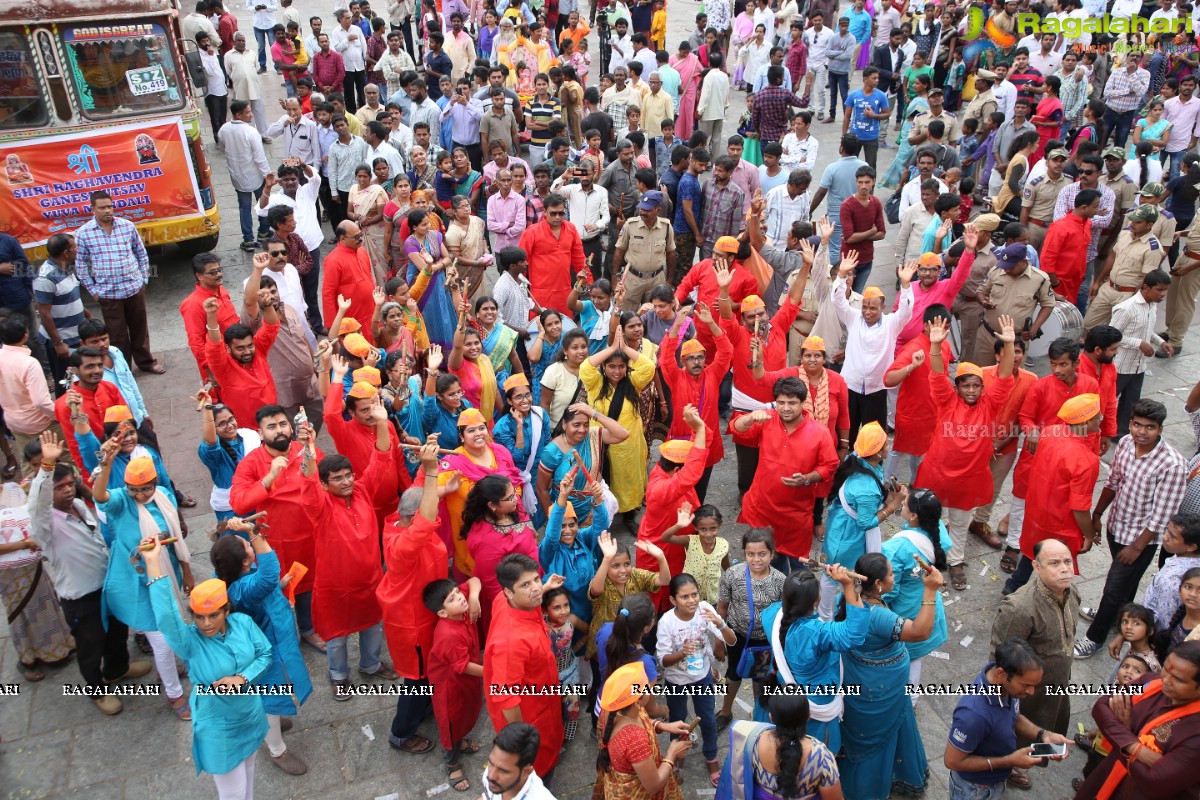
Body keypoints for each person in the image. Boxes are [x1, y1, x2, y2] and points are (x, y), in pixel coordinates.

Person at [142, 541, 272, 800]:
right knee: (233, 794)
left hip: (251, 715)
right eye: (199, 617)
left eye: (213, 615)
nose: (206, 624)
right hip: (218, 727)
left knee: (249, 777)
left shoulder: (243, 623)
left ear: (226, 610)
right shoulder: (190, 642)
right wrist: (153, 563)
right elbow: (167, 617)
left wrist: (242, 677)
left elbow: (265, 654)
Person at [1074, 399, 1188, 659]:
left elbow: (1163, 516)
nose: (1142, 432)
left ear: (1160, 429)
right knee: (1125, 583)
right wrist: (1098, 514)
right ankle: (1119, 618)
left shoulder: (1172, 465)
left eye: (1150, 427)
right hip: (1117, 525)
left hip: (1140, 540)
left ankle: (1095, 637)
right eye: (1137, 424)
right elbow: (1113, 481)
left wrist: (1137, 547)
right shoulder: (1125, 443)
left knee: (1114, 588)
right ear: (1130, 423)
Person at [299, 404, 398, 699]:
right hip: (335, 587)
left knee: (372, 627)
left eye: (348, 475)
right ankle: (339, 676)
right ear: (325, 484)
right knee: (337, 637)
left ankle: (370, 664)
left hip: (370, 579)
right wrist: (307, 447)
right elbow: (308, 484)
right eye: (338, 479)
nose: (346, 482)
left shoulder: (363, 490)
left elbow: (380, 460)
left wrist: (382, 423)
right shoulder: (320, 507)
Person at [916, 315, 1017, 591]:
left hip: (968, 479)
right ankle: (930, 556)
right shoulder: (945, 401)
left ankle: (956, 560)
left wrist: (1008, 345)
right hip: (937, 473)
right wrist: (936, 346)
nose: (971, 390)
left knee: (960, 522)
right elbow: (937, 374)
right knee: (932, 518)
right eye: (965, 385)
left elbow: (1006, 376)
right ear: (957, 387)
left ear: (983, 388)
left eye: (976, 385)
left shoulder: (990, 404)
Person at [92, 446, 192, 722]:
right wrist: (107, 465)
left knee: (174, 628)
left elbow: (176, 539)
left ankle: (169, 668)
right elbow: (99, 495)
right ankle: (174, 694)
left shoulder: (164, 497)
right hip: (136, 583)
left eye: (145, 488)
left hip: (165, 576)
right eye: (134, 489)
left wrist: (187, 571)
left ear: (154, 484)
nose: (140, 495)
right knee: (162, 642)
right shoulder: (121, 502)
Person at [210, 518, 311, 775]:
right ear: (245, 562)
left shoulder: (238, 580)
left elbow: (265, 586)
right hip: (267, 653)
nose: (253, 545)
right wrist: (251, 532)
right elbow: (267, 574)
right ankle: (277, 749)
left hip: (274, 644)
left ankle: (273, 723)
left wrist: (280, 585)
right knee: (270, 698)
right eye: (249, 546)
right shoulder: (243, 587)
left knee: (275, 693)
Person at [839, 552, 943, 799]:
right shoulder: (877, 615)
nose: (894, 577)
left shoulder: (848, 597)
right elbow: (919, 632)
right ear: (877, 584)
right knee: (878, 742)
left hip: (866, 684)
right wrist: (930, 592)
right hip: (880, 691)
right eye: (891, 574)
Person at [230, 405, 324, 654]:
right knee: (277, 592)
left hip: (310, 537)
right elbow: (238, 502)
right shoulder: (251, 463)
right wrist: (268, 478)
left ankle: (308, 630)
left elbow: (325, 483)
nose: (279, 431)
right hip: (275, 543)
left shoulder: (307, 451)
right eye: (271, 427)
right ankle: (282, 638)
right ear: (260, 434)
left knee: (308, 586)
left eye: (283, 424)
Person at [944, 637, 1072, 799]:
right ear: (1002, 674)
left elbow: (1014, 716)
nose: (1031, 692)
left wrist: (1043, 734)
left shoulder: (1005, 687)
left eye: (1034, 685)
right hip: (974, 790)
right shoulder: (973, 715)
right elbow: (952, 761)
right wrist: (1009, 761)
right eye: (1026, 685)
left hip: (994, 781)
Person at [735, 377, 840, 573]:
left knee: (799, 569)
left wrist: (807, 478)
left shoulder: (819, 432)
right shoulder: (766, 419)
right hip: (763, 509)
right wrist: (748, 419)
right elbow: (736, 428)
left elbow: (830, 465)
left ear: (802, 403)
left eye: (792, 403)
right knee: (767, 564)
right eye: (781, 403)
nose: (786, 408)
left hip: (795, 517)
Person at [1073, 640, 1200, 798]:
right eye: (1166, 669)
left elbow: (1154, 780)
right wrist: (1135, 747)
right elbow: (1102, 705)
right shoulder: (1151, 681)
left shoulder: (1195, 732)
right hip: (1107, 774)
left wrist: (1124, 739)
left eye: (1178, 680)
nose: (1166, 680)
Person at [761, 565, 867, 750]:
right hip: (816, 704)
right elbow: (854, 634)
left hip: (789, 698)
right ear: (815, 603)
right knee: (816, 755)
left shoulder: (771, 615)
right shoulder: (816, 633)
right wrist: (848, 586)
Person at [483, 554, 566, 781]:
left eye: (536, 580)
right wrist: (523, 739)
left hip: (544, 697)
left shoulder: (508, 600)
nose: (536, 589)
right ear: (509, 591)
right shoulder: (510, 642)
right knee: (539, 772)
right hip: (531, 715)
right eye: (526, 585)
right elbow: (506, 697)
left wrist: (546, 586)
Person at [819, 421, 904, 617]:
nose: (888, 446)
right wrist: (894, 504)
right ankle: (826, 616)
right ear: (876, 453)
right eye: (885, 444)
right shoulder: (866, 488)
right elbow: (865, 523)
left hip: (841, 528)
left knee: (833, 575)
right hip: (848, 540)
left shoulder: (859, 460)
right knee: (835, 577)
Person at [74, 191, 163, 374]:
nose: (107, 211)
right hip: (108, 294)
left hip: (133, 288)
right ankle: (124, 369)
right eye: (102, 207)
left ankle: (146, 362)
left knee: (140, 328)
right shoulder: (84, 234)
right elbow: (81, 265)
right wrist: (94, 291)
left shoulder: (127, 226)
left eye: (109, 206)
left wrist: (143, 279)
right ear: (93, 209)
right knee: (117, 335)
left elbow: (141, 254)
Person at [832, 253, 915, 442]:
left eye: (873, 308)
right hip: (850, 386)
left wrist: (905, 285)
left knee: (874, 439)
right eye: (865, 307)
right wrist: (842, 275)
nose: (867, 312)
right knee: (847, 435)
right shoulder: (853, 318)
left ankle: (872, 471)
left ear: (883, 308)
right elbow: (838, 301)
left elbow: (906, 310)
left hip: (876, 389)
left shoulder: (892, 323)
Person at [659, 301, 732, 502]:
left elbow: (726, 352)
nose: (697, 362)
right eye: (691, 359)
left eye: (700, 358)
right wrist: (677, 326)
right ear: (683, 361)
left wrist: (711, 324)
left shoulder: (713, 374)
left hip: (708, 443)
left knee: (700, 492)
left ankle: (696, 524)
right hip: (681, 442)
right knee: (678, 490)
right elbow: (665, 358)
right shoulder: (675, 377)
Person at [595, 660, 691, 800]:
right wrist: (672, 753)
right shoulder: (635, 740)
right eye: (647, 687)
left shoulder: (616, 709)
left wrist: (662, 725)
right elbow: (654, 785)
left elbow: (641, 720)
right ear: (637, 701)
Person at [323, 221, 378, 343]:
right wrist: (332, 325)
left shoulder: (362, 251)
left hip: (370, 312)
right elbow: (328, 294)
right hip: (352, 317)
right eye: (356, 237)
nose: (360, 239)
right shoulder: (333, 260)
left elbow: (369, 277)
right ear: (342, 239)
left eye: (360, 235)